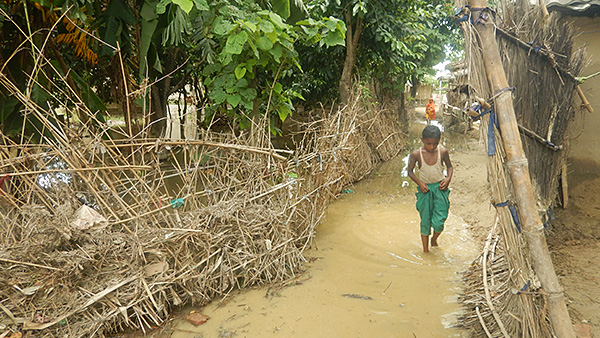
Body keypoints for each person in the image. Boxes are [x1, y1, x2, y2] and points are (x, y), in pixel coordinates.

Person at [407, 125, 453, 253]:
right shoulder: (416, 154)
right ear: (422, 140)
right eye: (428, 144)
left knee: (439, 221)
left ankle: (434, 239)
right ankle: (426, 251)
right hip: (425, 190)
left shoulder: (442, 152)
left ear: (439, 140)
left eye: (435, 144)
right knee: (425, 221)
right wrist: (420, 183)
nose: (431, 147)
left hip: (440, 189)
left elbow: (450, 166)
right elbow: (410, 172)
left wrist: (448, 178)